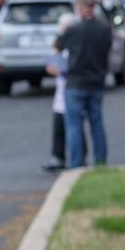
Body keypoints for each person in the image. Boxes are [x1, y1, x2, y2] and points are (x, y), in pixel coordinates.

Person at [53, 0, 113, 168]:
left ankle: (77, 164)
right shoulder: (104, 29)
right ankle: (101, 161)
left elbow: (57, 46)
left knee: (74, 125)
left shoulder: (74, 29)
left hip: (75, 82)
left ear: (79, 7)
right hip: (97, 81)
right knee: (97, 123)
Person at [42, 14, 82, 173]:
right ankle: (57, 157)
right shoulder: (60, 43)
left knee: (74, 126)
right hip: (62, 90)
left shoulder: (77, 42)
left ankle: (78, 158)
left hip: (73, 87)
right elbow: (52, 61)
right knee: (59, 125)